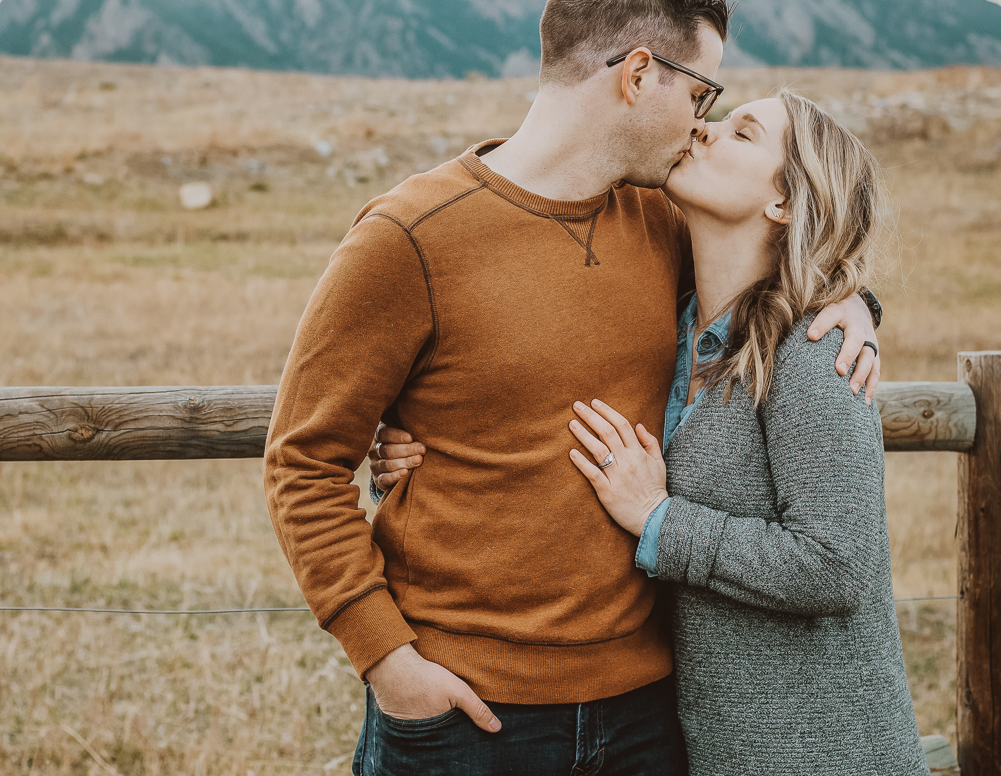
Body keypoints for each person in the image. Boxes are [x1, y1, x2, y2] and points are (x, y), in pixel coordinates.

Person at [261, 0, 881, 776]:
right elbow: (302, 462)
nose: (701, 123)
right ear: (636, 76)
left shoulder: (666, 224)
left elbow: (777, 266)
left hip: (648, 715)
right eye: (701, 95)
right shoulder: (409, 237)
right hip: (465, 714)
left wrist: (855, 306)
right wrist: (387, 663)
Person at [372, 89, 923, 775]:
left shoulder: (816, 350)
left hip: (824, 753)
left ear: (783, 201)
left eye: (742, 133)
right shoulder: (673, 326)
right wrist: (420, 446)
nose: (704, 129)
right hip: (711, 743)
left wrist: (660, 520)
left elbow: (837, 566)